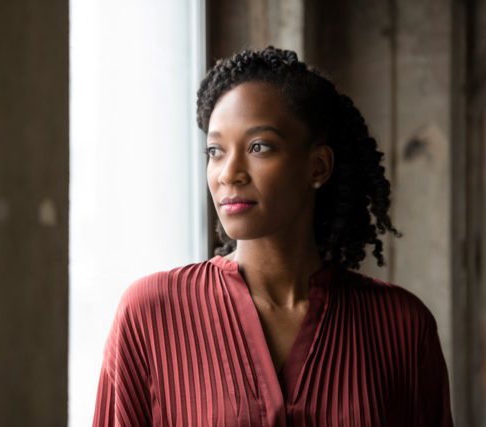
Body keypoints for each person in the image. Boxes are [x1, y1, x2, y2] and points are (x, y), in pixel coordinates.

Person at [92, 46, 453, 426]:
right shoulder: (150, 314)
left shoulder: (402, 327)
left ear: (318, 165)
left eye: (258, 147)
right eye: (215, 151)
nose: (229, 173)